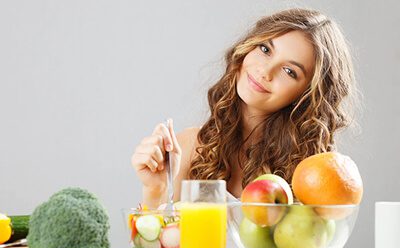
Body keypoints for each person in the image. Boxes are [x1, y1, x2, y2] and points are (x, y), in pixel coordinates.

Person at [131, 8, 358, 209]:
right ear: (247, 47)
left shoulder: (316, 175)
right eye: (265, 49)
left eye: (290, 71)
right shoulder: (187, 148)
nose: (265, 71)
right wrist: (156, 190)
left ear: (307, 96)